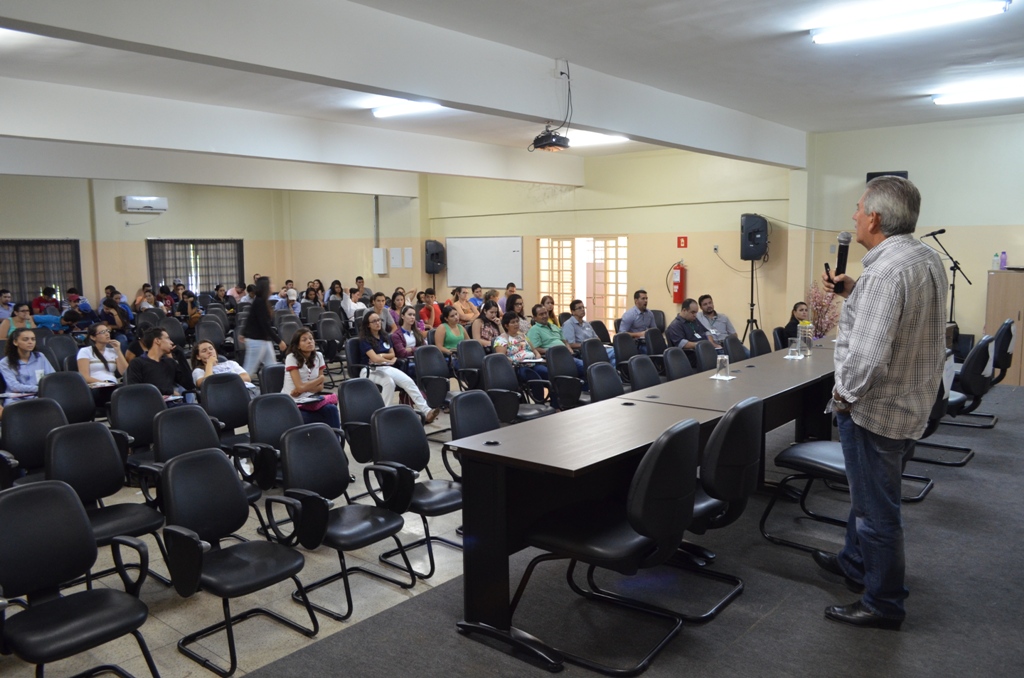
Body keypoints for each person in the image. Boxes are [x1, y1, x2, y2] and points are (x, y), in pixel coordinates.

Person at [815, 175, 946, 630]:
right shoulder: (924, 258)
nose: (853, 215)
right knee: (868, 496)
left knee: (876, 511)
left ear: (873, 218)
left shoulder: (885, 272)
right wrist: (854, 291)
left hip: (876, 411)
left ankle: (884, 602)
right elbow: (905, 317)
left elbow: (868, 358)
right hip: (912, 401)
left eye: (857, 208)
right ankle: (855, 563)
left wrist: (842, 397)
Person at [357, 312, 439, 423]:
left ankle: (427, 411)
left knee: (408, 381)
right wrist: (388, 360)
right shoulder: (365, 340)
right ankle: (383, 417)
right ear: (368, 325)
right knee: (389, 383)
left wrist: (382, 356)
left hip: (385, 367)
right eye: (374, 321)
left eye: (379, 320)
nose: (378, 323)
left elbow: (392, 354)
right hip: (369, 370)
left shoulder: (385, 336)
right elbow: (375, 359)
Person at [280, 328, 341, 428]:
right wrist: (320, 379)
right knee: (309, 418)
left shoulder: (319, 356)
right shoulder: (291, 357)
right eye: (304, 340)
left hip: (311, 400)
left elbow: (320, 387)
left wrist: (303, 388)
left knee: (332, 410)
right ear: (298, 345)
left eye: (311, 339)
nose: (309, 341)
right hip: (292, 402)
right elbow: (301, 387)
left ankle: (337, 437)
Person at [125, 326, 195, 398]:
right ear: (157, 341)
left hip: (171, 402)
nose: (172, 342)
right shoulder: (137, 363)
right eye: (167, 338)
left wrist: (181, 357)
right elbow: (135, 389)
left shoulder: (170, 362)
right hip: (149, 403)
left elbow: (189, 385)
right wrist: (169, 391)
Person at [494, 311, 549, 397]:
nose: (516, 324)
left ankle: (555, 403)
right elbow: (502, 358)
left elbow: (534, 350)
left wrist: (538, 356)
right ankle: (539, 403)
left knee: (549, 373)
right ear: (506, 325)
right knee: (536, 379)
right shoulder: (501, 339)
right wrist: (513, 361)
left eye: (517, 321)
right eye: (513, 322)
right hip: (518, 367)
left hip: (533, 363)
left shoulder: (523, 336)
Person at [241, 276, 287, 377]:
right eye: (270, 284)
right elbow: (265, 325)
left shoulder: (261, 301)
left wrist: (243, 333)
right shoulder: (260, 302)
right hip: (256, 340)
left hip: (263, 340)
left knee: (272, 366)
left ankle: (273, 385)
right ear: (266, 287)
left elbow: (250, 317)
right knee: (249, 370)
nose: (272, 286)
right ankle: (235, 385)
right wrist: (279, 341)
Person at [527, 304, 585, 378]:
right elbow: (535, 348)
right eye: (541, 314)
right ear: (535, 318)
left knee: (587, 368)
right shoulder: (534, 330)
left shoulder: (554, 326)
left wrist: (569, 348)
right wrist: (553, 351)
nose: (545, 316)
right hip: (553, 358)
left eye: (546, 313)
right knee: (583, 368)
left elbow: (565, 341)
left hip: (566, 356)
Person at [0, 328, 55, 405]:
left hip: (39, 395)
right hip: (16, 399)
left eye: (33, 339)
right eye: (25, 339)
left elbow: (52, 377)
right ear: (15, 342)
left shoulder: (40, 357)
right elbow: (14, 387)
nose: (30, 342)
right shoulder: (5, 362)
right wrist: (40, 388)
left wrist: (43, 389)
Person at [666, 298, 719, 366]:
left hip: (703, 350)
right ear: (684, 310)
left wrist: (711, 343)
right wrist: (701, 345)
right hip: (691, 356)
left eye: (696, 312)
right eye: (693, 312)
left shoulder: (694, 320)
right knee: (719, 358)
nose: (695, 315)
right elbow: (682, 344)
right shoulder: (675, 325)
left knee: (723, 353)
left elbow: (706, 332)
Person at [191, 339, 257, 393]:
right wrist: (209, 363)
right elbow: (207, 384)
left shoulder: (230, 363)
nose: (209, 352)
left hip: (249, 389)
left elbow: (246, 378)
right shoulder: (198, 371)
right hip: (226, 395)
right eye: (204, 351)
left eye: (211, 349)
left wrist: (221, 382)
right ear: (198, 357)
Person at [562, 299, 615, 364]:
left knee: (614, 359)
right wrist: (587, 345)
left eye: (583, 307)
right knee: (616, 351)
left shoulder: (586, 323)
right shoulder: (569, 324)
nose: (582, 309)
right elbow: (570, 344)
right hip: (585, 352)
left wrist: (595, 344)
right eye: (579, 308)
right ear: (573, 311)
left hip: (595, 348)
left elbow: (597, 338)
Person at [391, 304, 426, 376]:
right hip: (407, 362)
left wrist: (411, 349)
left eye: (414, 315)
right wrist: (418, 349)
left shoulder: (417, 332)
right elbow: (402, 353)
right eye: (409, 315)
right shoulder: (396, 335)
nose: (412, 317)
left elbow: (424, 347)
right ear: (402, 316)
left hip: (420, 359)